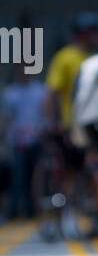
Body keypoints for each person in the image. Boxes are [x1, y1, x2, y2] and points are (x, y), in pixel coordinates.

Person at [43, 11, 98, 235]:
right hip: (72, 126)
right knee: (70, 173)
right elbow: (52, 93)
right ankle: (69, 216)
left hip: (96, 126)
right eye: (94, 32)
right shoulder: (65, 57)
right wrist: (53, 123)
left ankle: (95, 216)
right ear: (83, 34)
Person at [1, 64, 46, 219]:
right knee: (18, 176)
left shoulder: (40, 91)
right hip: (18, 141)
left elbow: (45, 113)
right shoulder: (10, 93)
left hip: (37, 139)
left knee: (36, 177)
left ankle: (33, 209)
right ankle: (15, 209)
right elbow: (7, 118)